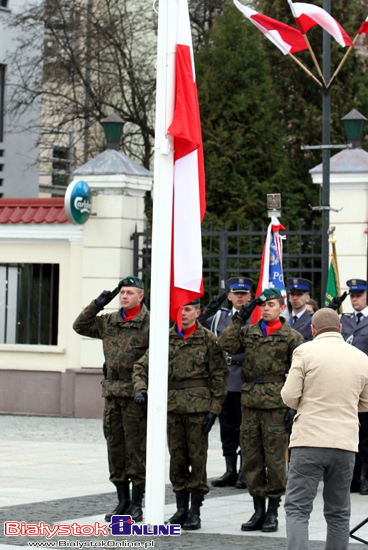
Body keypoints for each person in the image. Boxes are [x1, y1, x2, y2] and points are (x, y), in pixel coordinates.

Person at [132, 299, 228, 531]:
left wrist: (214, 410)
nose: (183, 314)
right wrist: (140, 387)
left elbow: (219, 376)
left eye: (187, 310)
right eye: (179, 310)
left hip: (198, 410)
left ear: (197, 312)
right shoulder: (164, 338)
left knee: (197, 459)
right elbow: (141, 366)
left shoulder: (208, 339)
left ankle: (195, 510)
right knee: (177, 461)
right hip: (172, 409)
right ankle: (181, 508)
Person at [281, 308, 368, 550]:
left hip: (309, 440)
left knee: (298, 508)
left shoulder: (305, 352)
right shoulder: (361, 357)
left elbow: (289, 396)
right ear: (340, 329)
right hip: (345, 444)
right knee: (339, 511)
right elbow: (366, 403)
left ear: (312, 329)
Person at [219, 288, 304, 533]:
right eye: (263, 305)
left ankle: (273, 512)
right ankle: (258, 509)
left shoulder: (292, 337)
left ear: (281, 307)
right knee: (252, 459)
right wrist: (238, 319)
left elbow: (302, 373)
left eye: (271, 305)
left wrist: (294, 406)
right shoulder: (249, 332)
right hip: (250, 404)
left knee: (276, 460)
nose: (266, 309)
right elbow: (225, 344)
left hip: (277, 406)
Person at [73, 276, 149, 522]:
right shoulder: (110, 321)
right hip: (112, 392)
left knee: (136, 448)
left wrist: (144, 387)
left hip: (135, 393)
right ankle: (122, 501)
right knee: (115, 447)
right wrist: (97, 304)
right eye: (122, 293)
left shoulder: (150, 323)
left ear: (141, 296)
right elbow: (80, 326)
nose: (124, 296)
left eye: (129, 292)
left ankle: (137, 503)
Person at [198, 276, 253, 489]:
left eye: (244, 294)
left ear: (250, 296)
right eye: (236, 294)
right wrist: (207, 311)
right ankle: (230, 469)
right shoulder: (219, 317)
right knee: (227, 427)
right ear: (229, 296)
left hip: (245, 378)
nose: (240, 297)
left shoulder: (255, 317)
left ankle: (244, 471)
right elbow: (198, 326)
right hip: (224, 378)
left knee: (244, 427)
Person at [329, 278, 368, 494]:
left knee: (366, 435)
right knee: (349, 431)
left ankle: (365, 477)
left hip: (365, 385)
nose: (354, 299)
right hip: (346, 385)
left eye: (359, 295)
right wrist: (331, 310)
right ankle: (351, 477)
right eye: (352, 296)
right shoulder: (344, 320)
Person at [286, 277, 313, 342]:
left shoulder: (312, 320)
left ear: (307, 298)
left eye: (299, 294)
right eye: (292, 294)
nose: (295, 298)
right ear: (289, 298)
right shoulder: (284, 319)